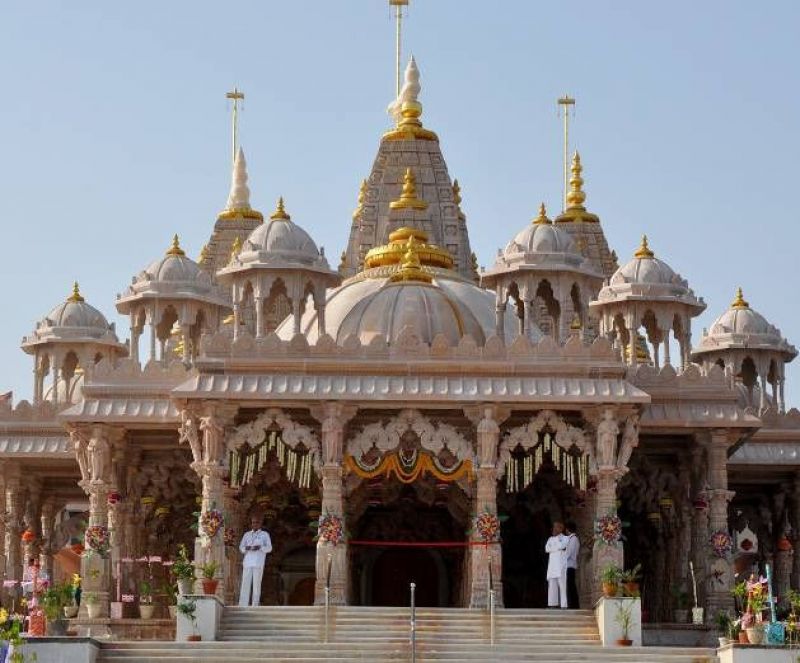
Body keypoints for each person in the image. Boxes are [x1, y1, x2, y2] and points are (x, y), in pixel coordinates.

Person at [238, 515, 272, 607]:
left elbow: (269, 548)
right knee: (245, 582)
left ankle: (255, 604)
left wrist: (260, 547)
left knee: (256, 584)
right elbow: (241, 548)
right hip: (248, 562)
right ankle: (243, 604)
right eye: (253, 522)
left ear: (260, 524)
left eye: (257, 522)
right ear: (251, 524)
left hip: (258, 562)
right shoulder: (247, 534)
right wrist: (247, 548)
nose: (255, 524)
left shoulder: (265, 534)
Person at [545, 521, 567, 608]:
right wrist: (556, 548)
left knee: (562, 586)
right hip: (552, 566)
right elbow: (547, 549)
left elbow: (562, 546)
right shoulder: (550, 539)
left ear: (561, 529)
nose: (554, 529)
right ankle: (552, 604)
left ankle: (564, 605)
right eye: (553, 527)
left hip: (561, 566)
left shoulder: (565, 538)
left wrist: (554, 547)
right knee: (552, 585)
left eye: (556, 527)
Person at [563, 521, 580, 609]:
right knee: (570, 585)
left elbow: (569, 552)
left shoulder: (573, 539)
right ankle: (572, 604)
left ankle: (573, 605)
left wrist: (562, 558)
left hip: (570, 565)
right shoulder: (572, 539)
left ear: (568, 529)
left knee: (571, 586)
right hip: (570, 565)